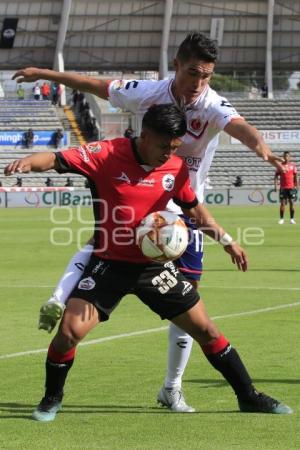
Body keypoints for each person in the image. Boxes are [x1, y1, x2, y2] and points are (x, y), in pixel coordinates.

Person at [12, 32, 285, 413]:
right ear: (176, 65)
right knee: (77, 311)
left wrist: (262, 153)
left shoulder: (197, 127)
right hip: (119, 253)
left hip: (174, 234)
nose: (199, 83)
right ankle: (53, 386)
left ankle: (202, 391)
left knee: (201, 323)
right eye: (193, 73)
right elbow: (87, 99)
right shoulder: (135, 110)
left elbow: (238, 129)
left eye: (207, 75)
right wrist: (45, 76)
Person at [275, 151, 298, 224]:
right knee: (282, 203)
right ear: (283, 157)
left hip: (291, 187)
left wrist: (297, 185)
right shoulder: (280, 166)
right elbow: (276, 176)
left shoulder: (293, 166)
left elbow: (295, 176)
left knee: (292, 203)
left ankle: (292, 219)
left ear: (290, 157)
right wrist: (276, 185)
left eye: (287, 156)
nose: (286, 157)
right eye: (285, 156)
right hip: (283, 187)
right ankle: (281, 219)